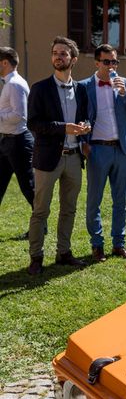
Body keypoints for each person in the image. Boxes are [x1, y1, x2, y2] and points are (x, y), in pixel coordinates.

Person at [27, 36, 91, 275]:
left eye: (63, 53)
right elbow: (33, 123)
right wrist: (64, 127)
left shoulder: (81, 90)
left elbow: (85, 117)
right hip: (47, 159)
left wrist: (84, 128)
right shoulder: (40, 88)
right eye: (55, 52)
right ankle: (36, 256)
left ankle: (63, 252)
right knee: (40, 210)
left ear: (73, 59)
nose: (58, 57)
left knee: (69, 209)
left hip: (74, 158)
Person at [80, 44, 126, 262]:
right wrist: (83, 144)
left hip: (123, 150)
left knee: (121, 201)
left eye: (114, 62)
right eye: (106, 62)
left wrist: (125, 94)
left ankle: (119, 244)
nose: (111, 66)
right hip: (97, 150)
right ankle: (97, 245)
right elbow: (79, 116)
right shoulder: (85, 86)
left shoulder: (124, 83)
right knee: (94, 201)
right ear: (97, 62)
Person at [0, 47, 35, 238]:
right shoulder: (10, 83)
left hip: (18, 142)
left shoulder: (14, 84)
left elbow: (19, 115)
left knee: (28, 186)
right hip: (7, 141)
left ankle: (40, 226)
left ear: (5, 62)